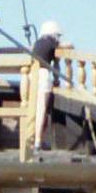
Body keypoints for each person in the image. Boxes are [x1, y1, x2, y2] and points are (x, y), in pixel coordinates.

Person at [31, 19, 62, 151]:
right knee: (41, 108)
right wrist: (56, 80)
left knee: (33, 108)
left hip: (31, 74)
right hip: (43, 75)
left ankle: (33, 139)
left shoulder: (37, 43)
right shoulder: (52, 43)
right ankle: (38, 141)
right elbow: (56, 65)